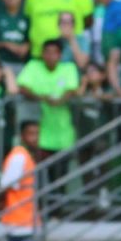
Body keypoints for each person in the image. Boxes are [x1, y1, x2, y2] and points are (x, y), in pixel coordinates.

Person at [17, 39, 81, 177]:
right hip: (40, 136)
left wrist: (59, 100)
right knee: (40, 177)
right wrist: (42, 98)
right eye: (47, 52)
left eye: (54, 53)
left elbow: (72, 90)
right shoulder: (33, 66)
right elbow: (23, 87)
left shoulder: (69, 68)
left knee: (61, 177)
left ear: (60, 55)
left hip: (63, 135)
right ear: (42, 54)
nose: (50, 56)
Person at [0, 119, 41, 241]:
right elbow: (6, 182)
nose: (34, 138)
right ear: (22, 136)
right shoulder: (19, 156)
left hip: (25, 218)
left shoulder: (25, 156)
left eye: (37, 134)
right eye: (30, 134)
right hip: (18, 219)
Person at [0, 0, 30, 69]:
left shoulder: (27, 17)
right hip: (1, 63)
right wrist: (6, 44)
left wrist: (26, 47)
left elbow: (31, 39)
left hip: (23, 63)